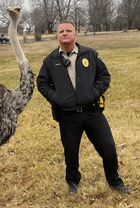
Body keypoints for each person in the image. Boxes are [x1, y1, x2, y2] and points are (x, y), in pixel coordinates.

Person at [36, 20, 131, 195]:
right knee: (71, 153)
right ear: (57, 35)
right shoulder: (50, 60)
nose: (65, 33)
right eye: (61, 31)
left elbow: (104, 76)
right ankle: (73, 182)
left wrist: (93, 92)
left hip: (92, 112)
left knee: (108, 149)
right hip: (67, 116)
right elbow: (41, 83)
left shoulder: (90, 54)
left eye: (68, 30)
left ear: (75, 34)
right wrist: (57, 97)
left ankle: (115, 182)